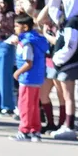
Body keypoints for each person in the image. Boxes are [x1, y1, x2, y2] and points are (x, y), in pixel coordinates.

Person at [49, 0, 78, 140]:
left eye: (64, 2)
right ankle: (67, 124)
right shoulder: (66, 19)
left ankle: (69, 126)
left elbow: (71, 45)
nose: (62, 5)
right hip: (63, 63)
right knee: (65, 95)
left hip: (68, 64)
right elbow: (52, 11)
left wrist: (58, 58)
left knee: (68, 96)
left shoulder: (73, 22)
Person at [11, 14, 48, 142]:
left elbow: (29, 63)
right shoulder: (34, 40)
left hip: (27, 78)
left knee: (25, 106)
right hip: (36, 78)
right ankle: (35, 130)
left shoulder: (27, 43)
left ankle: (24, 130)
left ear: (25, 27)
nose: (15, 28)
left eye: (17, 26)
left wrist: (17, 72)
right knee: (33, 106)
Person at [0, 0, 18, 115]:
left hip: (6, 44)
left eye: (4, 3)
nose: (1, 5)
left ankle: (7, 105)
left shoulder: (11, 15)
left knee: (4, 76)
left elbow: (2, 23)